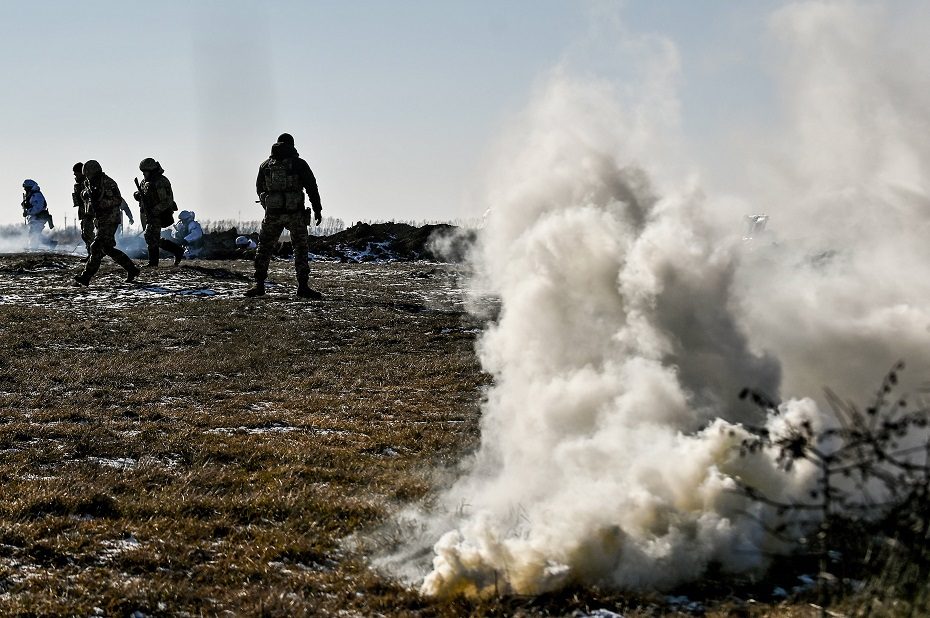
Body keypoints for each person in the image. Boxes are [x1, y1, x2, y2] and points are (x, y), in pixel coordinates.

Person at [246, 133, 323, 298]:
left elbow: (259, 188)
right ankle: (303, 286)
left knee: (264, 248)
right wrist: (317, 209)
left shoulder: (265, 165)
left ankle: (259, 285)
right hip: (295, 212)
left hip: (272, 214)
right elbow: (311, 186)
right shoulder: (299, 164)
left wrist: (269, 204)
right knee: (300, 248)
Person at [74, 160, 140, 286]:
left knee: (96, 246)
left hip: (110, 219)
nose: (86, 176)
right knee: (107, 248)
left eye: (88, 173)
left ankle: (86, 277)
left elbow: (117, 199)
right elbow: (86, 196)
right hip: (100, 220)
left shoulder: (108, 182)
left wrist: (101, 203)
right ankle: (132, 269)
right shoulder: (90, 182)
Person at [133, 157, 183, 267]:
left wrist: (155, 210)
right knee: (152, 237)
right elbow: (143, 193)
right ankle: (177, 250)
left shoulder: (161, 181)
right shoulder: (145, 181)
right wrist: (137, 195)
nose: (143, 174)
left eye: (145, 171)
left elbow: (167, 200)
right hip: (149, 213)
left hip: (160, 213)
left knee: (150, 236)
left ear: (151, 170)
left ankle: (153, 263)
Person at [21, 179, 54, 247]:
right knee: (35, 234)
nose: (25, 190)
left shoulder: (36, 195)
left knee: (34, 234)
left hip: (39, 217)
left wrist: (28, 212)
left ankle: (34, 248)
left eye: (26, 188)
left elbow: (38, 208)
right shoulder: (31, 195)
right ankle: (50, 243)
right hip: (34, 218)